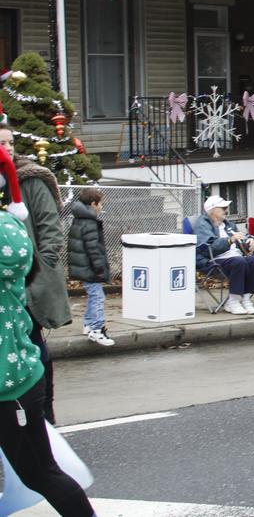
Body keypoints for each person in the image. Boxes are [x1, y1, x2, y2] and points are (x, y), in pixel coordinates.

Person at [0, 179, 95, 516]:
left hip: (9, 387)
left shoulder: (4, 235)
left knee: (41, 473)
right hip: (20, 377)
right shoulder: (10, 228)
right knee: (42, 473)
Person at [0, 126, 69, 424]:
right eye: (1, 142)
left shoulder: (30, 181)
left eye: (10, 142)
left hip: (27, 285)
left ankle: (43, 416)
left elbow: (50, 230)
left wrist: (37, 271)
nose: (7, 147)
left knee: (32, 348)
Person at [194, 195, 254, 315]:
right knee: (238, 261)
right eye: (223, 208)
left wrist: (250, 241)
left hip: (233, 258)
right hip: (213, 261)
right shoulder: (202, 224)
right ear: (213, 210)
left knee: (253, 260)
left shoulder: (228, 224)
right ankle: (234, 301)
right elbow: (209, 247)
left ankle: (245, 300)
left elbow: (241, 237)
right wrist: (229, 240)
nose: (226, 210)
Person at [67, 188, 114, 347]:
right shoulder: (90, 222)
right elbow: (93, 248)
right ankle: (97, 330)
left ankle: (88, 324)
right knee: (97, 297)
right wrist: (100, 269)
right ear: (93, 204)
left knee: (93, 295)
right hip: (90, 268)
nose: (101, 207)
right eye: (100, 203)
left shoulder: (80, 218)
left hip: (84, 266)